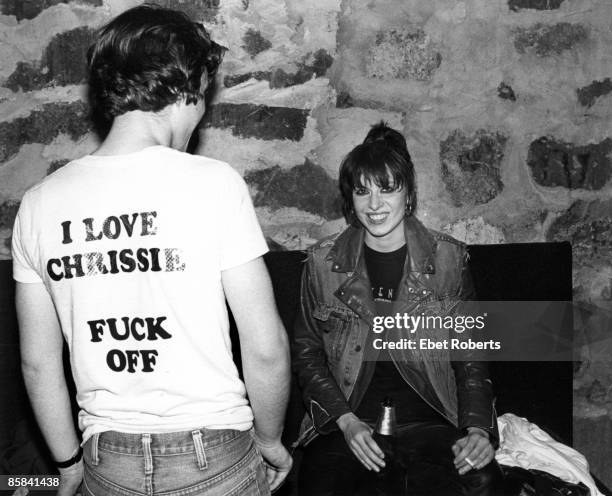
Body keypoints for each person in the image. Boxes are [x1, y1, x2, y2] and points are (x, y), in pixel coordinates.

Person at [12, 5, 291, 496]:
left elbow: (37, 363)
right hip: (215, 453)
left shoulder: (37, 205)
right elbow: (265, 348)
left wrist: (68, 463)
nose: (200, 111)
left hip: (107, 460)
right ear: (183, 91)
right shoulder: (214, 184)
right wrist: (270, 439)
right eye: (203, 96)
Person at [292, 122, 502, 495]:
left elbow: (470, 353)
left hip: (431, 418)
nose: (374, 205)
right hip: (353, 418)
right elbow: (307, 354)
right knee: (318, 483)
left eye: (387, 189)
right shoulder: (323, 264)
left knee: (480, 481)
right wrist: (345, 422)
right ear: (350, 200)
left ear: (408, 195)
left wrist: (477, 430)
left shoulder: (448, 259)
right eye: (362, 191)